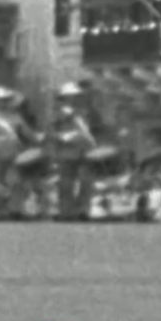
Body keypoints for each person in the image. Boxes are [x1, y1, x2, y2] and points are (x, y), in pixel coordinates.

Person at [0, 87, 41, 219]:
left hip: (15, 151)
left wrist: (37, 141)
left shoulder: (16, 117)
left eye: (6, 100)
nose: (4, 103)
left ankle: (15, 209)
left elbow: (27, 133)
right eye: (1, 100)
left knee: (17, 181)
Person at [52, 82, 97, 220]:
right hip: (68, 150)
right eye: (70, 95)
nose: (73, 97)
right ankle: (68, 211)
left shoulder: (81, 111)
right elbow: (54, 130)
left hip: (82, 149)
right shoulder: (62, 111)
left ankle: (80, 210)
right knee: (67, 182)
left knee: (85, 181)